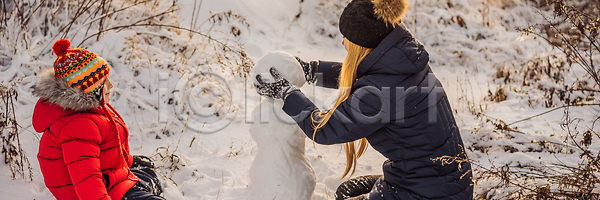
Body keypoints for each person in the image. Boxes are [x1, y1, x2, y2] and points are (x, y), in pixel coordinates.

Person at [253, 0, 473, 199]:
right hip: (442, 181)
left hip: (428, 193)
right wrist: (311, 70)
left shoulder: (383, 90)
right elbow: (362, 76)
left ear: (362, 43)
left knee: (344, 196)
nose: (343, 43)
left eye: (347, 38)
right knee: (346, 191)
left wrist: (287, 93)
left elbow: (324, 129)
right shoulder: (403, 62)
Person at [32, 39, 165, 200]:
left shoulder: (89, 112)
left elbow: (106, 148)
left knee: (147, 171)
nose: (111, 85)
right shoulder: (78, 126)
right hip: (92, 193)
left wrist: (127, 162)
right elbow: (87, 180)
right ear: (88, 89)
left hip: (107, 180)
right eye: (104, 82)